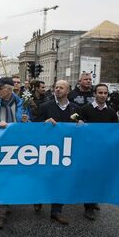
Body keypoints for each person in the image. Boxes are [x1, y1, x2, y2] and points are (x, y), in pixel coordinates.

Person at [35, 80, 80, 225]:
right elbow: (34, 125)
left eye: (61, 88)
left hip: (66, 150)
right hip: (48, 150)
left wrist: (81, 124)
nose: (58, 90)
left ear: (68, 91)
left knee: (61, 178)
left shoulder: (75, 108)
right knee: (44, 176)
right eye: (56, 87)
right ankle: (39, 198)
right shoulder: (45, 106)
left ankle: (56, 211)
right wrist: (44, 123)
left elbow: (80, 128)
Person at [0, 77, 29, 229]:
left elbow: (30, 126)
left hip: (18, 147)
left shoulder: (22, 104)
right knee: (0, 178)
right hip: (0, 147)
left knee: (12, 178)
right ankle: (0, 213)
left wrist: (26, 121)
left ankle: (7, 202)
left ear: (9, 90)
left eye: (0, 88)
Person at [78, 84, 119, 220]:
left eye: (105, 93)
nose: (103, 95)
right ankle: (88, 207)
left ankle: (94, 200)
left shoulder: (111, 112)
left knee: (100, 177)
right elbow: (75, 127)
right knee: (90, 178)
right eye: (100, 93)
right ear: (94, 94)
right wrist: (79, 124)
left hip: (104, 152)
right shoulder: (85, 109)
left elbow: (115, 131)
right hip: (89, 151)